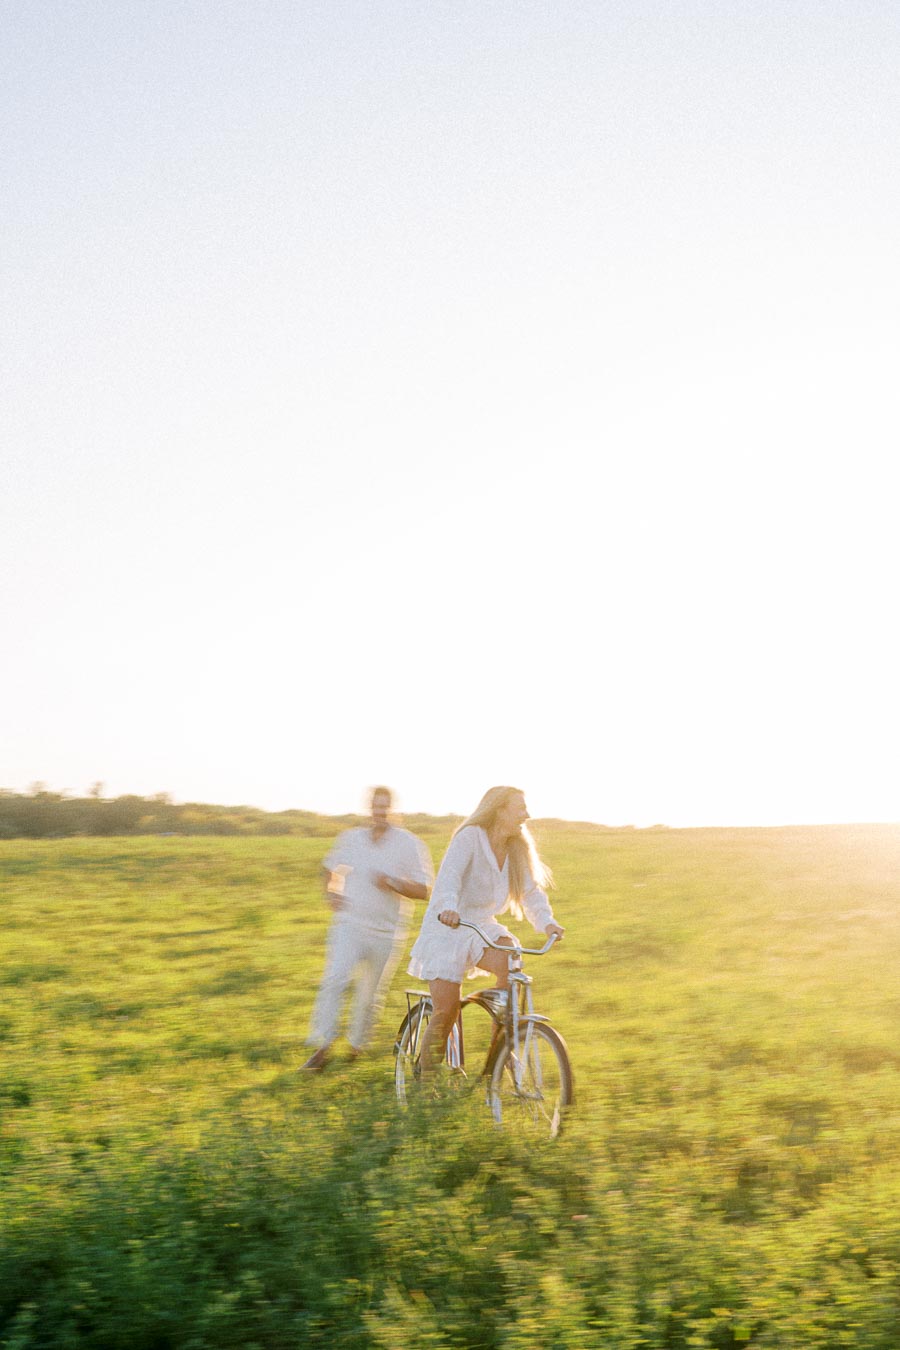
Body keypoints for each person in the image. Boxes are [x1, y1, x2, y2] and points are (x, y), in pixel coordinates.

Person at [407, 785, 564, 1072]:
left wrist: (547, 923)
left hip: (481, 926)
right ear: (499, 809)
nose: (526, 815)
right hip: (449, 924)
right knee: (446, 1011)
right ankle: (423, 1084)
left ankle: (501, 1050)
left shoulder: (517, 848)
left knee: (511, 958)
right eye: (520, 808)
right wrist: (448, 908)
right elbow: (450, 877)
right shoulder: (470, 838)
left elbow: (530, 892)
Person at [302, 786, 433, 1071]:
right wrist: (331, 892)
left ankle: (355, 1047)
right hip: (349, 924)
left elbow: (425, 889)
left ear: (393, 809)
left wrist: (394, 883)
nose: (380, 811)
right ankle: (321, 1048)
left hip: (386, 932)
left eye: (385, 806)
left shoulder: (410, 844)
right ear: (369, 808)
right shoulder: (351, 839)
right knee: (334, 980)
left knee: (369, 993)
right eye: (375, 806)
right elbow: (329, 868)